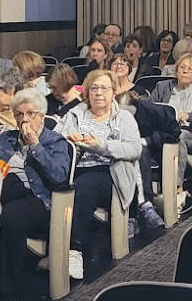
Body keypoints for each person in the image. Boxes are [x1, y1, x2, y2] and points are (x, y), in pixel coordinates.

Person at [0, 89, 75, 301]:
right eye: (19, 114)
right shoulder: (7, 138)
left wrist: (36, 146)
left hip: (41, 201)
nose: (24, 119)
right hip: (6, 194)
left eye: (30, 113)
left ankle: (5, 297)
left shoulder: (55, 141)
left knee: (8, 218)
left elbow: (59, 178)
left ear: (41, 116)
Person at [56, 70, 146, 280]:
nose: (99, 93)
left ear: (113, 92)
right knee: (58, 187)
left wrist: (101, 146)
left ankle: (73, 250)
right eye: (94, 88)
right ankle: (54, 250)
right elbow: (56, 141)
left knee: (84, 187)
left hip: (110, 172)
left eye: (104, 88)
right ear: (86, 93)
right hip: (75, 169)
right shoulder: (74, 115)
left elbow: (135, 150)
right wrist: (67, 140)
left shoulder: (123, 117)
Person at [150, 53, 192, 165]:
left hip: (188, 132)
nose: (185, 71)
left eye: (190, 69)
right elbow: (148, 107)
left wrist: (189, 116)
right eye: (182, 67)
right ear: (176, 71)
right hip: (161, 130)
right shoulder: (162, 86)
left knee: (178, 136)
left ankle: (176, 181)